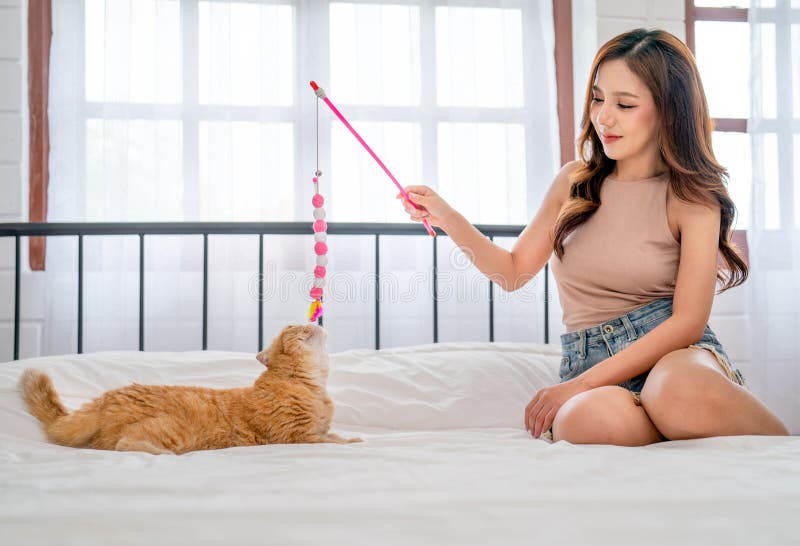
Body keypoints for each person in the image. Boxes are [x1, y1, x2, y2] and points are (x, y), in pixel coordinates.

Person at [396, 28, 789, 446]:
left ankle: (782, 448)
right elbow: (512, 273)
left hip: (675, 359)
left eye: (625, 104)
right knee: (584, 422)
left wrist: (576, 386)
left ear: (668, 112)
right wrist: (447, 217)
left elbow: (687, 323)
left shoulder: (692, 197)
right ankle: (671, 428)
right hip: (593, 361)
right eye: (598, 98)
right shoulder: (573, 182)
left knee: (675, 391)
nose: (603, 117)